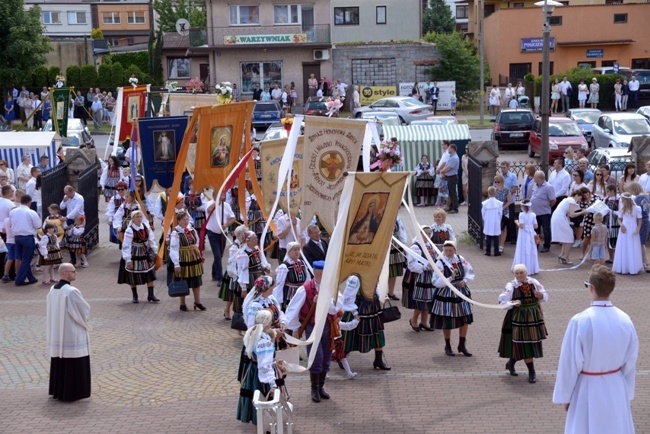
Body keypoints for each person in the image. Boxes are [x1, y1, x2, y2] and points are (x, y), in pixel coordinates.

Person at [553, 265, 638, 434]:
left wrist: (566, 396)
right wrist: (625, 389)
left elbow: (569, 362)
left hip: (587, 388)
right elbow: (631, 359)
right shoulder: (625, 319)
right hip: (615, 385)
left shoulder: (580, 321)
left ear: (590, 288)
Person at [284, 260, 339, 403]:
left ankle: (321, 387)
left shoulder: (331, 288)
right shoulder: (305, 288)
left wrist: (325, 301)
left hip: (328, 326)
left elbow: (335, 309)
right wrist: (295, 328)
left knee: (327, 356)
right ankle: (314, 388)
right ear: (319, 273)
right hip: (312, 327)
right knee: (316, 357)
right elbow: (292, 309)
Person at [46, 263, 91, 402]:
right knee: (73, 361)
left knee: (61, 361)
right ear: (65, 273)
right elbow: (82, 311)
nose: (76, 272)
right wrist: (87, 321)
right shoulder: (71, 291)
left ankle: (59, 391)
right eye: (73, 271)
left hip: (58, 332)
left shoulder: (53, 289)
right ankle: (74, 393)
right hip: (71, 332)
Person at [498, 264, 548, 383]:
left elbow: (545, 295)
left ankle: (511, 363)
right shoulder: (511, 285)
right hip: (518, 318)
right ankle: (531, 372)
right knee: (524, 343)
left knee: (526, 343)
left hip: (533, 317)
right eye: (517, 273)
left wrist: (540, 295)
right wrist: (513, 303)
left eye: (522, 273)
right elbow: (502, 301)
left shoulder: (534, 282)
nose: (519, 275)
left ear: (526, 273)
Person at [236, 310, 286, 426]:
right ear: (267, 324)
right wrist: (273, 386)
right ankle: (264, 427)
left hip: (252, 372)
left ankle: (258, 424)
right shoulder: (264, 342)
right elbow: (265, 366)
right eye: (270, 322)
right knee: (265, 400)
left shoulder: (253, 335)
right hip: (262, 376)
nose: (272, 325)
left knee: (254, 399)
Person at [430, 241, 474, 356]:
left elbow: (469, 271)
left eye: (450, 250)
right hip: (446, 293)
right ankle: (448, 345)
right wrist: (449, 279)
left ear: (455, 250)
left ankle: (462, 344)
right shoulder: (440, 262)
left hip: (461, 291)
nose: (448, 253)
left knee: (465, 319)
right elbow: (435, 282)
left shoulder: (460, 259)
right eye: (446, 250)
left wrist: (465, 281)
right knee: (447, 319)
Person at [119, 210, 158, 304]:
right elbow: (126, 245)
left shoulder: (145, 227)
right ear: (133, 219)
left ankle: (151, 294)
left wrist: (155, 251)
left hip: (145, 252)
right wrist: (128, 259)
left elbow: (151, 239)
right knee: (132, 274)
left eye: (140, 217)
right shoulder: (130, 230)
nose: (139, 218)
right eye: (137, 217)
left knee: (150, 273)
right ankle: (135, 295)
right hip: (134, 253)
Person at [169, 211, 205, 311]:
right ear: (179, 221)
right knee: (183, 280)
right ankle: (182, 304)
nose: (185, 221)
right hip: (184, 258)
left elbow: (197, 242)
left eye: (186, 219)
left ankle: (197, 302)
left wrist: (199, 254)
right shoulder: (176, 232)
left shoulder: (192, 229)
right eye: (183, 219)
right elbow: (174, 249)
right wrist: (176, 263)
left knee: (196, 281)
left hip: (194, 257)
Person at [406, 226, 435, 332]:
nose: (427, 236)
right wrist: (424, 267)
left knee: (429, 299)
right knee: (421, 299)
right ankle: (414, 319)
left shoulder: (430, 246)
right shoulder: (416, 247)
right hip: (419, 277)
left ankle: (424, 321)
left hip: (430, 276)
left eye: (429, 233)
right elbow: (411, 264)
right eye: (425, 233)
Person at [333, 276, 361, 378]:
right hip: (331, 344)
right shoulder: (331, 325)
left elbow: (347, 326)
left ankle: (349, 373)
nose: (340, 319)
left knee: (343, 358)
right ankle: (325, 373)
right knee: (328, 358)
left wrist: (355, 321)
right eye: (339, 317)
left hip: (338, 343)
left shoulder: (338, 324)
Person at [204, 191, 236, 285]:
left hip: (223, 234)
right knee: (217, 255)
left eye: (223, 194)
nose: (222, 196)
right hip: (212, 233)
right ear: (214, 195)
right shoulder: (209, 204)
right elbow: (209, 210)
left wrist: (226, 225)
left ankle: (214, 273)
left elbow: (232, 218)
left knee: (220, 255)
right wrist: (217, 202)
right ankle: (220, 278)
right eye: (220, 194)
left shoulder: (226, 205)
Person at [10, 194, 40, 286]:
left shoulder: (13, 212)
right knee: (26, 259)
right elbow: (38, 225)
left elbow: (11, 224)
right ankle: (19, 279)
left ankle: (31, 278)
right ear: (29, 202)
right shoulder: (31, 212)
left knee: (22, 258)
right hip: (27, 237)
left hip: (17, 237)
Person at [551, 190, 587, 265]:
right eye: (580, 199)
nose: (579, 201)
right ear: (577, 195)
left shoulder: (567, 199)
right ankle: (565, 256)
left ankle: (562, 254)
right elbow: (572, 214)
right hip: (560, 218)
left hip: (558, 217)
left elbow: (572, 212)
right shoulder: (571, 200)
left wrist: (582, 211)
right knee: (569, 237)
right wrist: (583, 212)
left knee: (567, 236)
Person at [612, 193, 643, 275]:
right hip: (624, 228)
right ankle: (623, 266)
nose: (621, 201)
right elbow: (619, 219)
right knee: (624, 246)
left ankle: (633, 267)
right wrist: (621, 225)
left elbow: (640, 220)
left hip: (633, 228)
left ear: (627, 200)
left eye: (623, 200)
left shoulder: (637, 208)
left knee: (632, 246)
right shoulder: (622, 208)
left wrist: (638, 229)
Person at [273, 241, 310, 311]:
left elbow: (308, 280)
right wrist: (278, 300)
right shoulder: (284, 266)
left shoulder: (302, 263)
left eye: (298, 250)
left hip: (301, 294)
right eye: (294, 250)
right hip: (289, 296)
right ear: (289, 252)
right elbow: (279, 285)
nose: (297, 252)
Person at [220, 225, 247, 320]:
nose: (245, 236)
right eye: (244, 234)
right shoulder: (234, 247)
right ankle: (227, 309)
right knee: (231, 293)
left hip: (241, 271)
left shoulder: (245, 244)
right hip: (233, 272)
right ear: (239, 235)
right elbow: (232, 261)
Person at [626, 182, 650, 271]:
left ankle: (644, 261)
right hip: (646, 219)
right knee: (642, 241)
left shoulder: (638, 197)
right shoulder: (646, 196)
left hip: (641, 220)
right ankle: (644, 261)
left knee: (641, 242)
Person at [513, 199, 539, 275]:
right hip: (531, 233)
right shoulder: (533, 215)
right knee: (531, 249)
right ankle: (532, 267)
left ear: (523, 207)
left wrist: (516, 222)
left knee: (522, 248)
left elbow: (521, 226)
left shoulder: (521, 215)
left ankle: (521, 266)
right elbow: (536, 226)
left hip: (523, 234)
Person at [493, 174, 512, 254]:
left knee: (503, 228)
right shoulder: (494, 190)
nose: (497, 183)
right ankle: (497, 244)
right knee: (497, 228)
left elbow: (509, 201)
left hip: (504, 212)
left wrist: (503, 208)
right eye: (495, 182)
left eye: (498, 181)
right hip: (496, 212)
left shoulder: (506, 190)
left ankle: (502, 244)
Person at [482, 186, 503, 257]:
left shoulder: (485, 203)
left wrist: (485, 219)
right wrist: (498, 220)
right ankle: (496, 251)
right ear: (495, 193)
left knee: (488, 236)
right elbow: (500, 213)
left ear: (488, 193)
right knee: (496, 236)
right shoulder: (499, 203)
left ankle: (488, 251)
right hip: (496, 221)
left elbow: (483, 212)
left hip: (488, 221)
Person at [439, 144, 459, 214]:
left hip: (452, 177)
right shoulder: (451, 157)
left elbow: (449, 168)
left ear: (452, 149)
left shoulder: (454, 158)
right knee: (450, 193)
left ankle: (455, 208)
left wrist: (442, 171)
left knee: (453, 193)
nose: (448, 150)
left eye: (449, 148)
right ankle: (451, 206)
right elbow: (447, 165)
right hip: (449, 177)